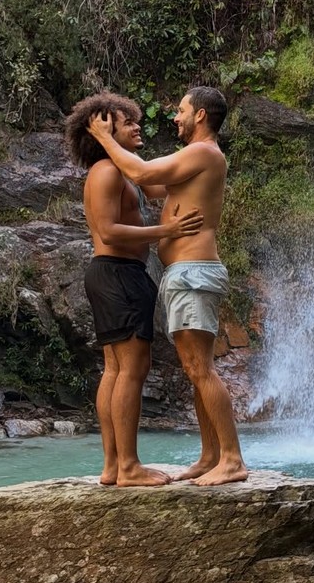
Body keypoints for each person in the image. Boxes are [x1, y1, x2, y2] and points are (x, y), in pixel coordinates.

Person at [87, 86, 248, 486]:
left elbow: (142, 174)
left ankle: (231, 459)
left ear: (200, 116)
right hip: (184, 273)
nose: (173, 117)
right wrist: (114, 149)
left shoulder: (204, 152)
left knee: (200, 368)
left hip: (194, 272)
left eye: (180, 111)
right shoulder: (191, 160)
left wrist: (107, 137)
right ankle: (211, 455)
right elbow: (150, 184)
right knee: (196, 369)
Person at [65, 92, 203, 487]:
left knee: (115, 369)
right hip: (119, 274)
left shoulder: (117, 171)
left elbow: (159, 182)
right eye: (126, 122)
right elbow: (108, 230)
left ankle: (113, 466)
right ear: (103, 129)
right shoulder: (107, 171)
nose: (137, 126)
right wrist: (168, 231)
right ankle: (129, 467)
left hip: (112, 273)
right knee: (132, 370)